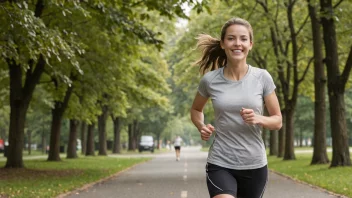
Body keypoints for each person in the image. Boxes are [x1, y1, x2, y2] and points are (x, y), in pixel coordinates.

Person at [190, 17, 282, 198]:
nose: (237, 43)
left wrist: (258, 118)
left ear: (250, 44)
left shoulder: (262, 78)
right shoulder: (210, 80)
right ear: (223, 44)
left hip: (254, 165)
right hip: (221, 161)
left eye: (243, 39)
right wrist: (201, 126)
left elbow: (277, 120)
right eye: (231, 38)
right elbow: (196, 110)